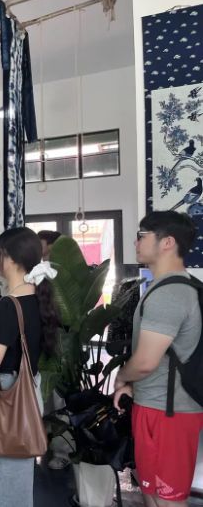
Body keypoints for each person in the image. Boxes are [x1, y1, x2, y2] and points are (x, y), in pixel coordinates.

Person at [114, 211, 203, 507]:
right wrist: (133, 387)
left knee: (168, 499)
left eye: (142, 236)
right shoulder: (165, 287)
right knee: (152, 494)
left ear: (167, 242)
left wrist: (122, 377)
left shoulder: (171, 293)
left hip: (170, 413)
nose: (136, 242)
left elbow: (145, 362)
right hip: (156, 406)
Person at [0, 227, 59, 507]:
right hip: (28, 390)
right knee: (17, 482)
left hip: (6, 396)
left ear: (8, 258)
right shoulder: (37, 299)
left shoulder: (9, 305)